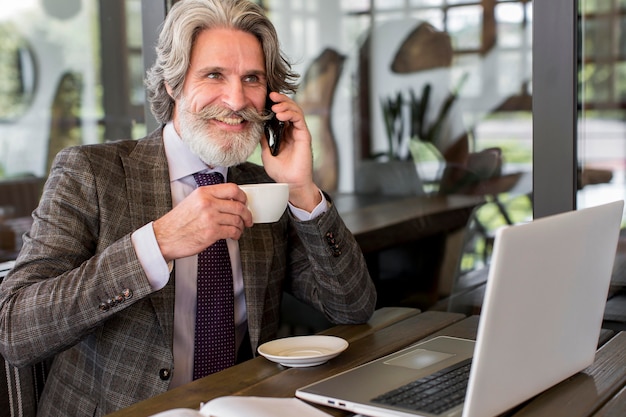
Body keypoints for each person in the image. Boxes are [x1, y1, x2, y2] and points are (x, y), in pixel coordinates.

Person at [0, 0, 377, 415]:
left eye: (251, 78)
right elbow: (16, 330)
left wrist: (302, 189)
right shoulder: (91, 172)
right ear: (172, 84)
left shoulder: (263, 187)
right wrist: (156, 243)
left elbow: (353, 306)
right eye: (214, 74)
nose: (236, 100)